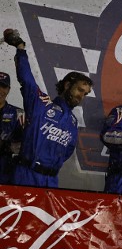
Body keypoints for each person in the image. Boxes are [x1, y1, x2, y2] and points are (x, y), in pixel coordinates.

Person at [6, 28, 92, 188]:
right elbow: (27, 79)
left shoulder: (73, 122)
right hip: (25, 176)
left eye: (85, 94)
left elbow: (67, 152)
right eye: (80, 90)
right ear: (67, 85)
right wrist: (20, 48)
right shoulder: (41, 103)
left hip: (51, 182)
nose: (82, 96)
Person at [0, 71, 25, 184]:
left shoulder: (19, 114)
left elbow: (23, 144)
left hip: (4, 169)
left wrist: (6, 146)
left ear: (9, 89)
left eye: (4, 86)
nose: (1, 90)